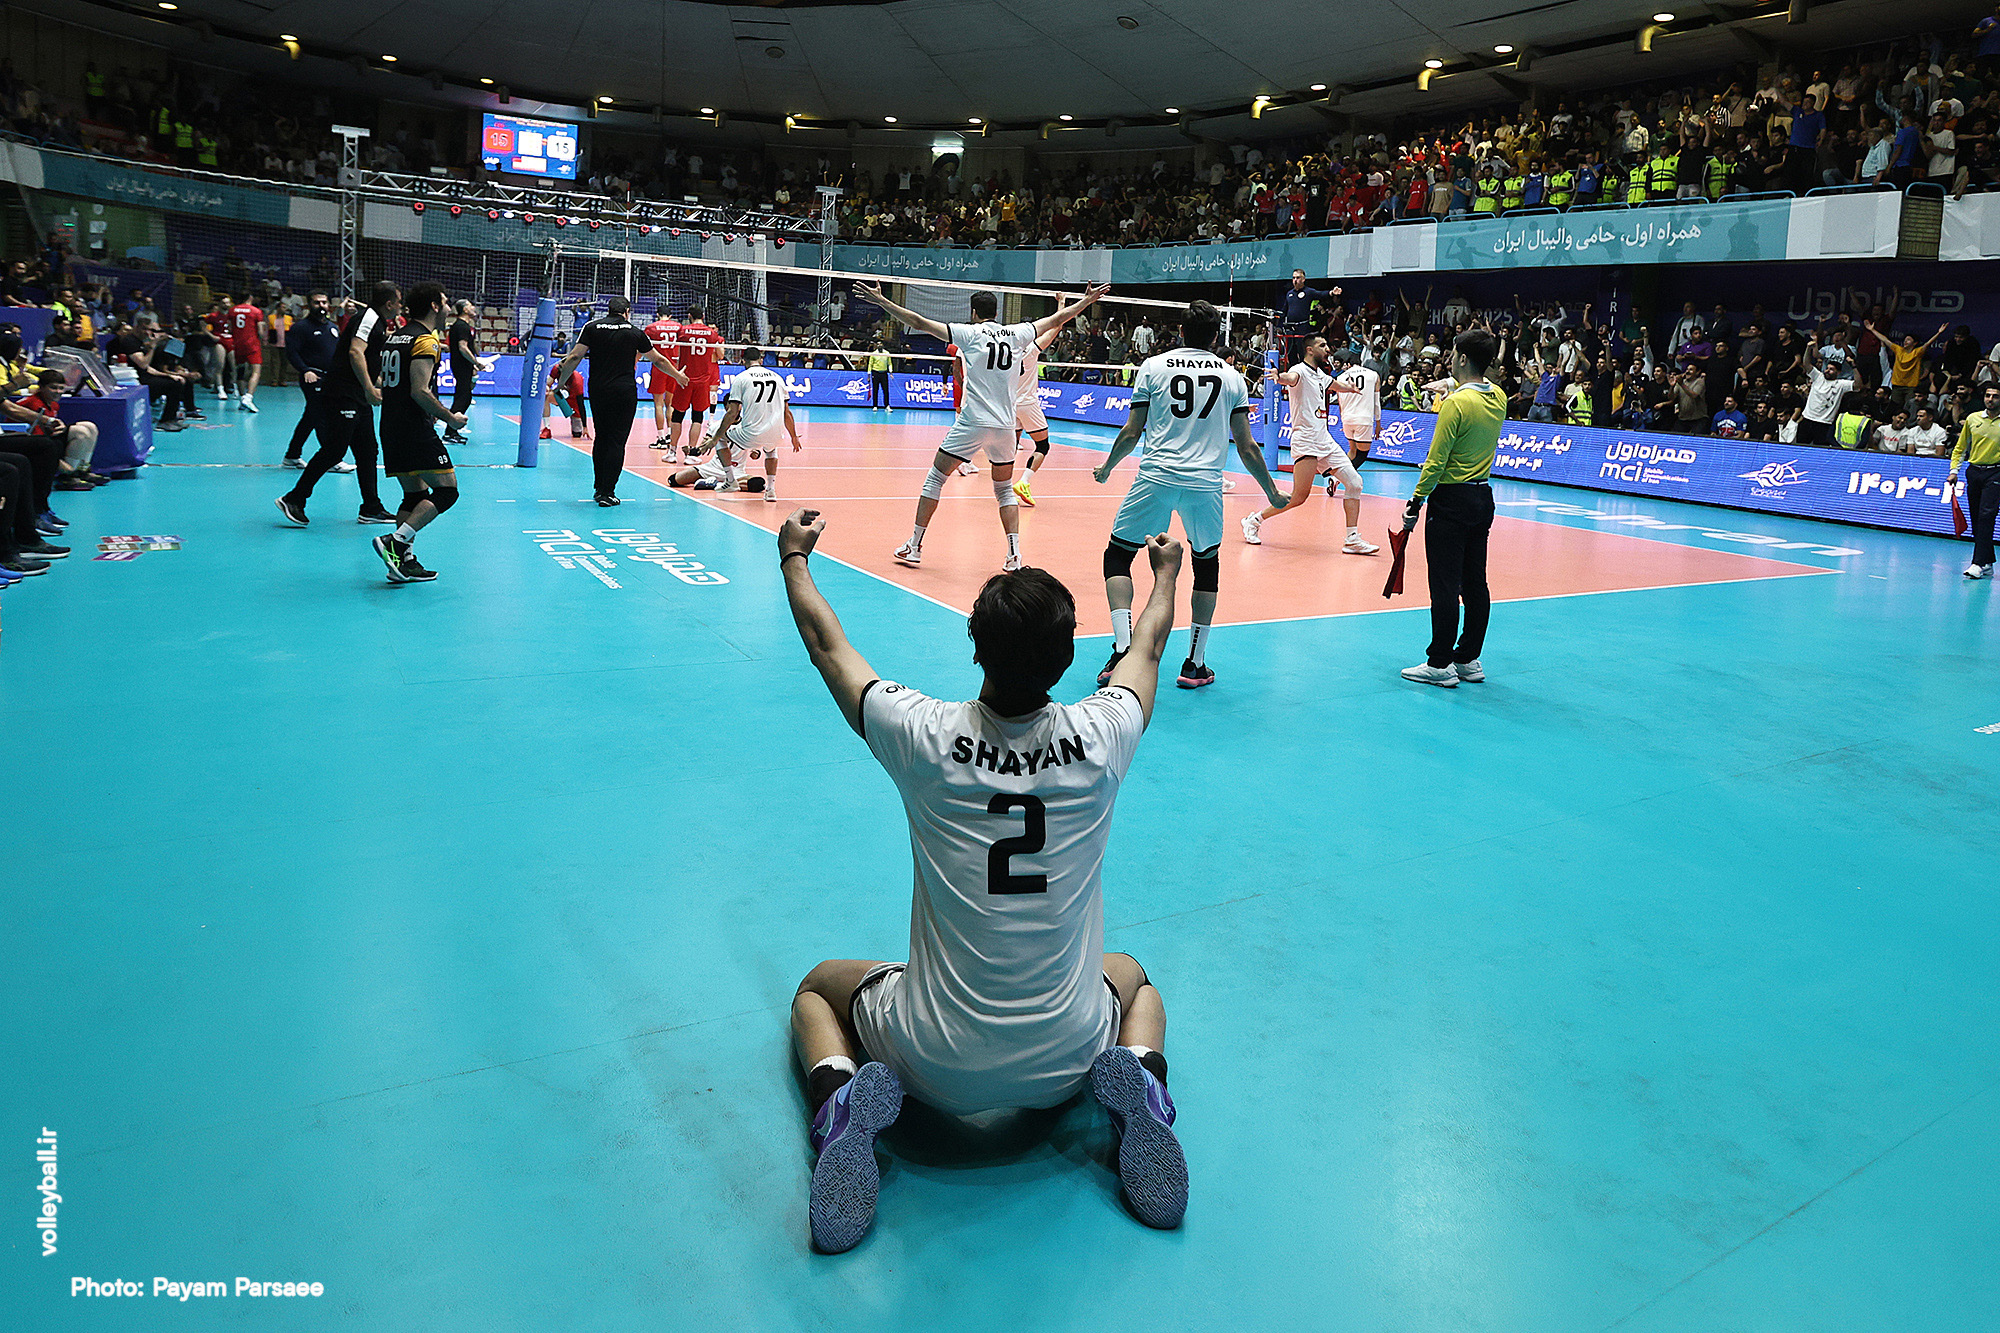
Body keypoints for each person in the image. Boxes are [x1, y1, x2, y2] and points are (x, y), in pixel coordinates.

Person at [779, 506, 1190, 1253]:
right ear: (1066, 657)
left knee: (817, 987)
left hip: (932, 1063)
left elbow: (827, 647)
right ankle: (1140, 1088)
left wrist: (795, 560)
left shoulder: (924, 735)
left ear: (976, 647)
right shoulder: (1103, 735)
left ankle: (840, 1106)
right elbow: (1151, 646)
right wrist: (1164, 575)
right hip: (1067, 1057)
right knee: (1134, 978)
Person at [1093, 300, 1286, 690]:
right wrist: (1271, 492)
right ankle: (1195, 664)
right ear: (1215, 337)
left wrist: (1108, 467)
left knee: (1118, 556)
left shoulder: (1153, 367)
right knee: (1206, 566)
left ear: (1181, 332)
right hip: (1205, 485)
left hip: (1156, 477)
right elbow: (1247, 446)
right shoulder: (1232, 377)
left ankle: (1123, 649)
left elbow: (1132, 431)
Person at [856, 281, 1107, 572]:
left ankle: (914, 546)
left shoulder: (969, 333)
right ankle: (1014, 555)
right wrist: (1086, 301)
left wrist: (882, 301)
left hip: (973, 422)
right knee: (1004, 491)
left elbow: (918, 322)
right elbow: (1057, 319)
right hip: (1005, 426)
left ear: (974, 312)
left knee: (935, 479)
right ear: (997, 312)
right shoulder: (1017, 333)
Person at [1399, 328, 1505, 689]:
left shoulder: (1455, 404)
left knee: (1444, 584)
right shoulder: (1498, 397)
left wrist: (1416, 501)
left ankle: (1440, 663)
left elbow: (1436, 460)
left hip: (1450, 500)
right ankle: (1468, 659)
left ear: (1460, 358)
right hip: (1482, 497)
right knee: (1475, 582)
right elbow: (1476, 384)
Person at [276, 280, 399, 527]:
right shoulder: (368, 318)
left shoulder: (378, 321)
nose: (400, 306)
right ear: (389, 303)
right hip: (343, 393)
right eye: (398, 301)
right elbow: (355, 352)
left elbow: (366, 359)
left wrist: (377, 383)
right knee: (335, 449)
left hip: (357, 394)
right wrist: (369, 388)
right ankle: (294, 498)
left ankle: (371, 508)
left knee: (367, 451)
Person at [368, 282, 466, 584]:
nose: (448, 308)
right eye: (445, 302)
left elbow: (386, 380)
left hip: (390, 425)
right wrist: (450, 418)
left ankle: (403, 563)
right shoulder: (425, 340)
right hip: (414, 428)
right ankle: (396, 542)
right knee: (447, 491)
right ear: (435, 306)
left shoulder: (396, 336)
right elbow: (420, 391)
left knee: (414, 495)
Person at [1243, 336, 1377, 555]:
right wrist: (1279, 377)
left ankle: (1352, 539)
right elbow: (1290, 378)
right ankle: (1254, 520)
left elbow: (1336, 385)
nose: (1327, 349)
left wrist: (1350, 388)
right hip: (1305, 439)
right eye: (1322, 345)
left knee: (1355, 483)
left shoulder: (1321, 375)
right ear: (1309, 350)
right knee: (1298, 497)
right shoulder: (1299, 371)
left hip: (1324, 439)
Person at [549, 295, 687, 507]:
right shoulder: (634, 332)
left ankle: (599, 488)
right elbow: (658, 359)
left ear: (608, 310)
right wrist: (677, 376)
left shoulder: (591, 327)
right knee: (616, 441)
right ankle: (608, 491)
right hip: (624, 392)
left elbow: (574, 357)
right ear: (627, 312)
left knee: (602, 438)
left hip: (599, 391)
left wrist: (560, 384)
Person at [670, 346, 801, 501]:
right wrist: (794, 437)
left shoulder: (741, 378)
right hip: (775, 433)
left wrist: (714, 439)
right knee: (771, 449)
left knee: (720, 436)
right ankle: (771, 491)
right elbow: (787, 412)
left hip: (750, 435)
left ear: (743, 361)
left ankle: (730, 480)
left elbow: (732, 413)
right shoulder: (778, 378)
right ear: (761, 360)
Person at [282, 291, 338, 467]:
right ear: (309, 305)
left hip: (330, 379)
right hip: (312, 378)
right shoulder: (301, 327)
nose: (321, 306)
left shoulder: (333, 327)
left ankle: (292, 455)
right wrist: (305, 370)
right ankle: (331, 459)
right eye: (316, 303)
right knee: (321, 416)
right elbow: (292, 352)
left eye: (324, 302)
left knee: (311, 417)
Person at [1950, 383, 2000, 579]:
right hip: (1974, 472)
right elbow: (1960, 447)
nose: (1990, 399)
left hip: (1996, 473)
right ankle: (1987, 562)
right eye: (1988, 395)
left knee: (1987, 516)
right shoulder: (1973, 419)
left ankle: (1977, 563)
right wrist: (1954, 471)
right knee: (1977, 518)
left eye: (1995, 396)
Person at [1010, 325, 1062, 507]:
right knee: (1043, 445)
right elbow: (1054, 330)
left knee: (1010, 448)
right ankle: (1023, 482)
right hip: (1027, 404)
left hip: (1009, 404)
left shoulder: (1006, 351)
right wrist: (1061, 312)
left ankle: (1005, 490)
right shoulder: (1031, 350)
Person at [665, 305, 724, 458]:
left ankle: (672, 452)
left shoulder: (682, 331)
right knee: (697, 417)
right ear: (703, 316)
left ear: (689, 316)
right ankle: (691, 454)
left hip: (684, 379)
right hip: (702, 381)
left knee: (677, 416)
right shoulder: (712, 333)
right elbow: (720, 354)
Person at [443, 300, 488, 445]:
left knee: (465, 397)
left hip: (464, 365)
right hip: (461, 365)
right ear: (464, 310)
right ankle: (449, 431)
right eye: (470, 305)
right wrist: (476, 362)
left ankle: (452, 430)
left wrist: (474, 362)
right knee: (462, 398)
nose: (473, 307)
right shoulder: (461, 326)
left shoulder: (465, 326)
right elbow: (462, 347)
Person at [643, 306, 685, 454]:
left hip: (659, 367)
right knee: (670, 404)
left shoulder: (651, 328)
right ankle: (669, 435)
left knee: (658, 405)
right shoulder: (678, 327)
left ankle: (661, 438)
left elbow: (642, 347)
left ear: (657, 314)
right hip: (673, 367)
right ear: (671, 315)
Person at [1276, 269, 1337, 369]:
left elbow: (1320, 294)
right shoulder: (1289, 294)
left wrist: (1331, 292)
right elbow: (1284, 310)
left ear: (1303, 279)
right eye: (1293, 278)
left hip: (1303, 327)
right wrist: (1278, 323)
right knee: (1291, 353)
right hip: (1290, 328)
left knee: (1302, 352)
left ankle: (1305, 372)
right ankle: (1293, 373)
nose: (1295, 280)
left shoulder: (1308, 292)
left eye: (1298, 278)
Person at [227, 291, 266, 412]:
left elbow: (229, 328)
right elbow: (260, 331)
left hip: (238, 344)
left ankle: (242, 397)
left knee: (240, 370)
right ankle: (248, 397)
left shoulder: (232, 310)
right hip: (252, 344)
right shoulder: (256, 311)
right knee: (256, 371)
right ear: (250, 297)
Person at [866, 341, 892, 410]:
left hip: (884, 373)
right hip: (875, 373)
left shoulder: (887, 353)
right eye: (878, 344)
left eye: (881, 344)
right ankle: (875, 406)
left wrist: (891, 372)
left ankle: (887, 405)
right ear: (876, 346)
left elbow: (889, 363)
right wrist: (868, 375)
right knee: (875, 390)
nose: (879, 345)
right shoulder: (873, 354)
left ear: (883, 345)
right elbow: (870, 364)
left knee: (885, 390)